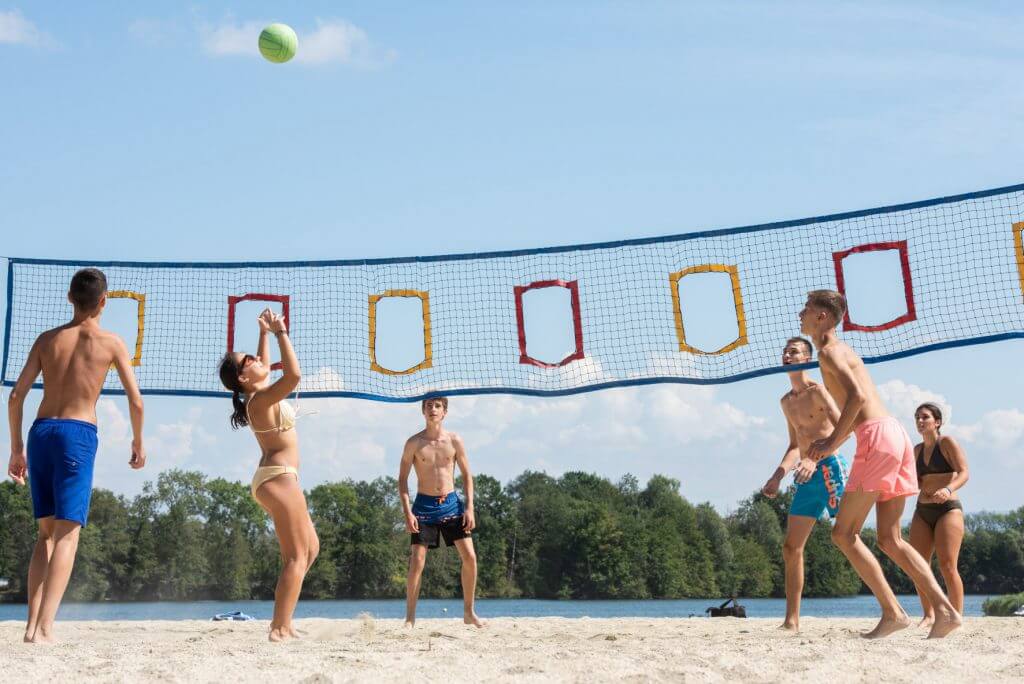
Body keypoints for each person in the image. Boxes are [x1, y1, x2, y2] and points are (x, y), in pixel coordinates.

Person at [801, 289, 961, 639]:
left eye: (807, 309)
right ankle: (945, 612)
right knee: (890, 539)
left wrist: (829, 442)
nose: (801, 314)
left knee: (843, 534)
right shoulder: (841, 350)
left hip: (876, 438)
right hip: (893, 435)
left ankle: (894, 612)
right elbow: (859, 411)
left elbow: (856, 400)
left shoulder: (829, 351)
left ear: (823, 317)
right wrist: (831, 445)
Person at [6, 268, 146, 644]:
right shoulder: (111, 342)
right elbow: (135, 400)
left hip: (40, 432)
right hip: (76, 433)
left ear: (69, 298)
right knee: (68, 535)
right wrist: (137, 441)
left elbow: (16, 396)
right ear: (104, 301)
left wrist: (16, 448)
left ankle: (30, 627)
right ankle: (46, 629)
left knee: (45, 534)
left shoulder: (46, 339)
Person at [218, 309, 318, 642]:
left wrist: (262, 333)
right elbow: (293, 376)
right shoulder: (258, 400)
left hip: (281, 476)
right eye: (249, 360)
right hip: (277, 478)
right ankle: (278, 627)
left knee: (310, 549)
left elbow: (263, 362)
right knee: (295, 556)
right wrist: (280, 332)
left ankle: (285, 621)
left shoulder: (257, 393)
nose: (259, 359)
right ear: (244, 378)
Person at [761, 337, 848, 632]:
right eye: (785, 351)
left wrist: (818, 456)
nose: (787, 354)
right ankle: (792, 620)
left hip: (830, 469)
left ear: (807, 358)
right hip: (805, 474)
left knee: (849, 539)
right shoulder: (786, 401)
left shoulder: (819, 391)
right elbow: (795, 445)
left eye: (794, 351)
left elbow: (845, 430)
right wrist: (777, 475)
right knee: (790, 547)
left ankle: (899, 608)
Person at [398, 397, 484, 628]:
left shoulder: (454, 440)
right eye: (428, 406)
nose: (432, 409)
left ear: (444, 412)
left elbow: (467, 476)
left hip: (451, 504)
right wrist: (407, 512)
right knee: (417, 561)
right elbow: (402, 480)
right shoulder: (414, 443)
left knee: (470, 557)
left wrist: (470, 507)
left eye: (437, 406)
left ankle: (469, 612)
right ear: (422, 411)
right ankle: (410, 618)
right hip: (424, 506)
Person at [908, 402, 968, 627]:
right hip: (922, 510)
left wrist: (948, 489)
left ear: (938, 422)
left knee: (947, 565)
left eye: (925, 417)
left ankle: (956, 615)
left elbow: (964, 472)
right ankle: (929, 615)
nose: (920, 421)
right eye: (917, 418)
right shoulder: (916, 450)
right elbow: (916, 481)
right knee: (918, 565)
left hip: (948, 509)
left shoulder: (947, 443)